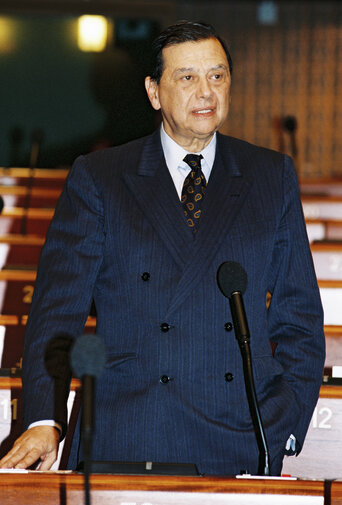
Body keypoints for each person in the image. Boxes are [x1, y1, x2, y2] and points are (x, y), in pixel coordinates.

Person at [0, 21, 325, 476]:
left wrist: (280, 422)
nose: (206, 91)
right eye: (187, 77)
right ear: (154, 92)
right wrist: (44, 418)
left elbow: (301, 319)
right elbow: (58, 312)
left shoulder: (270, 176)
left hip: (238, 434)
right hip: (129, 427)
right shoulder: (101, 177)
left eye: (217, 75)